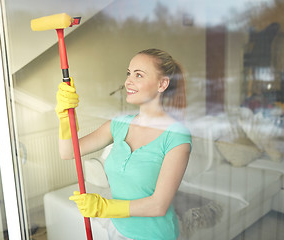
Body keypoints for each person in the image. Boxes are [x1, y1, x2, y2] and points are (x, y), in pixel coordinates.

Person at [55, 48, 192, 240]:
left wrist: (104, 207)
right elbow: (68, 152)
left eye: (138, 75)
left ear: (162, 84)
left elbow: (158, 205)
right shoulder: (118, 124)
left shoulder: (176, 137)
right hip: (118, 231)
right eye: (129, 73)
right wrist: (64, 116)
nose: (128, 81)